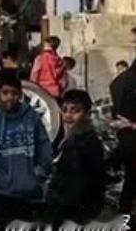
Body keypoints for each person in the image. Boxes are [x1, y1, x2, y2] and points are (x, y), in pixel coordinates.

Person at [0, 72, 52, 227]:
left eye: (14, 93)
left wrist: (36, 176)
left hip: (30, 194)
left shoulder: (32, 118)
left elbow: (45, 149)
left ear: (20, 94)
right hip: (1, 195)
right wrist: (0, 180)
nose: (10, 97)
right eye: (5, 92)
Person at [46, 89, 106, 225]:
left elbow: (74, 185)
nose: (68, 115)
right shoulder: (74, 136)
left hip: (75, 212)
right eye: (65, 110)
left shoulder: (82, 143)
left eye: (75, 111)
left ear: (87, 114)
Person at [111, 58, 136, 214]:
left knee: (130, 179)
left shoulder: (120, 80)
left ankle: (125, 213)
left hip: (126, 135)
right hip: (130, 134)